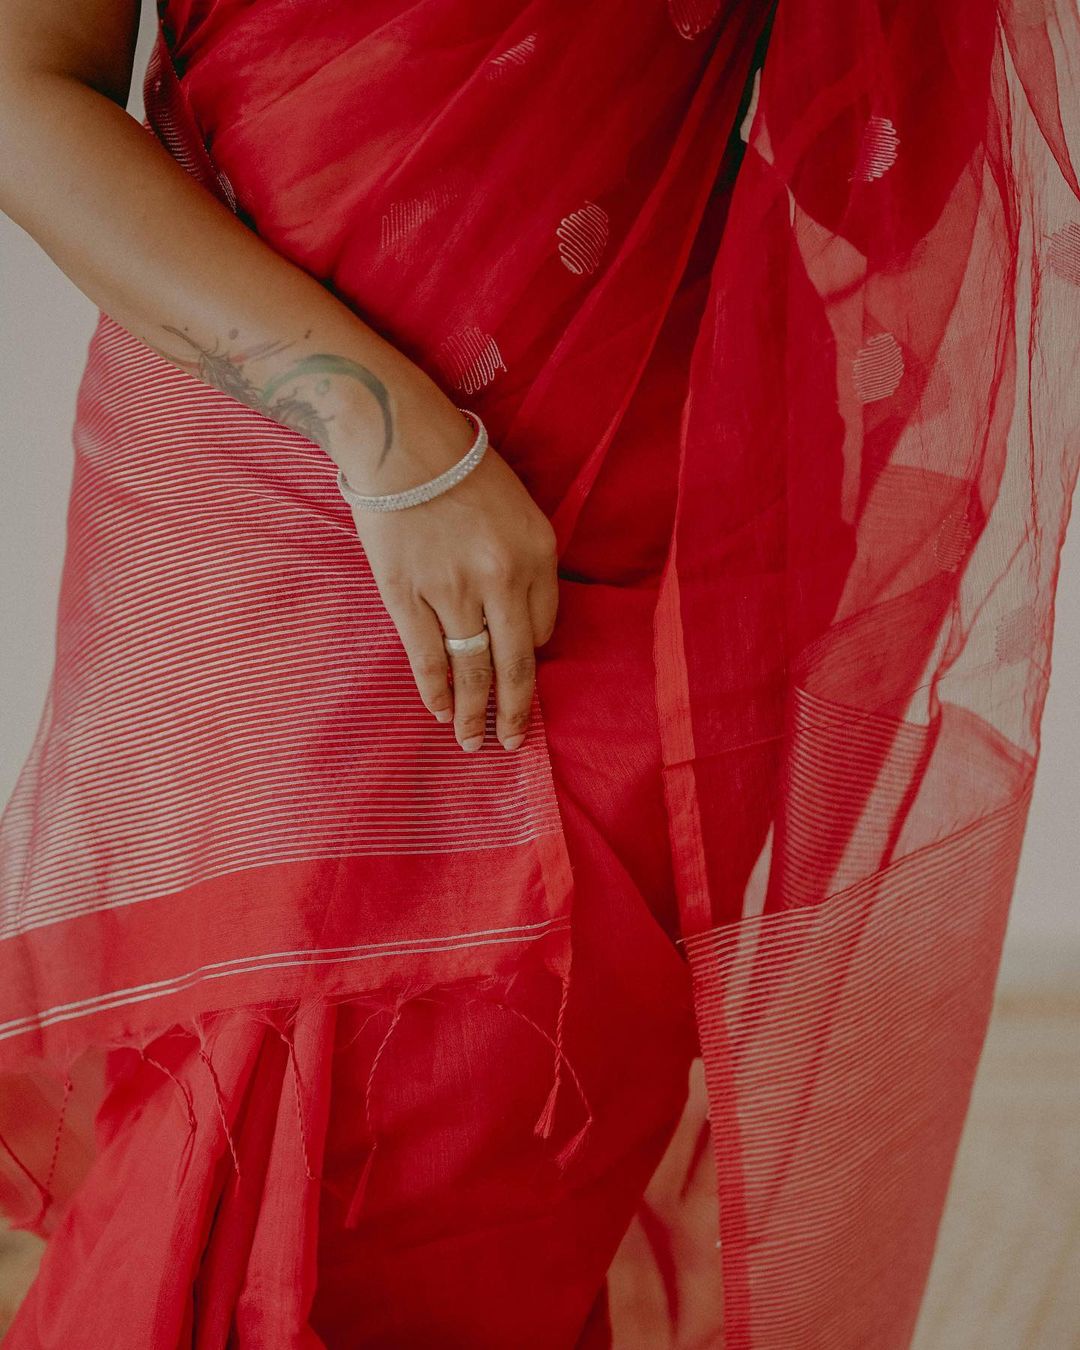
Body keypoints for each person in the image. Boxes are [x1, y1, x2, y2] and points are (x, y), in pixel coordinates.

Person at [0, 1, 1077, 1346]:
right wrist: (383, 432)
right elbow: (22, 90)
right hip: (263, 480)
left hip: (625, 526)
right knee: (233, 1165)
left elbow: (886, 198)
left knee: (500, 1178)